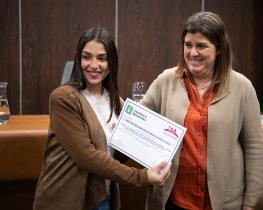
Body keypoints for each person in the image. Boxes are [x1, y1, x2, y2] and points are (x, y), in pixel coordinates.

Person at [33, 26, 170, 210]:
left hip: (103, 197)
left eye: (102, 58)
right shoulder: (63, 97)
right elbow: (86, 156)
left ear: (111, 63)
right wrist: (142, 177)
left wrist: (144, 141)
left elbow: (117, 154)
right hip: (66, 200)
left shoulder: (116, 102)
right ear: (78, 59)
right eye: (86, 56)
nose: (94, 65)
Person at [141, 11, 263, 210]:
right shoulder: (166, 81)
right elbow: (139, 119)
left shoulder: (242, 87)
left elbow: (254, 149)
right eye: (188, 45)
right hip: (174, 200)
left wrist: (252, 204)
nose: (193, 53)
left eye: (201, 46)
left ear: (218, 49)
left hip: (224, 203)